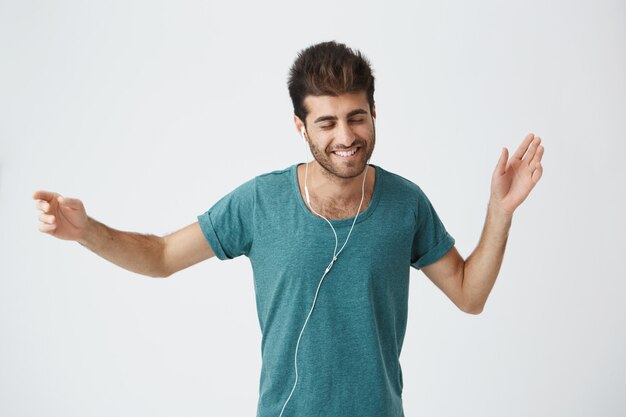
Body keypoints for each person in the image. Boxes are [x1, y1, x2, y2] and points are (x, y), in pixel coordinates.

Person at [32, 41, 544, 417]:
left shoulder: (404, 203)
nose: (346, 136)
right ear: (301, 126)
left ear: (373, 114)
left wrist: (500, 211)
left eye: (356, 117)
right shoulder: (260, 202)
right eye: (326, 122)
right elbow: (163, 256)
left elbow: (469, 295)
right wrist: (86, 231)